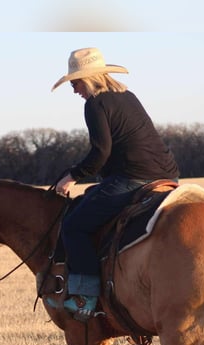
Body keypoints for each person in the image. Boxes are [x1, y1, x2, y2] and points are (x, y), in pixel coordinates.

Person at [51, 47, 180, 320]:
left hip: (134, 177)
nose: (75, 90)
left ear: (89, 79)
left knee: (74, 226)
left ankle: (85, 297)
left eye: (75, 83)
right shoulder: (127, 96)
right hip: (168, 175)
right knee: (93, 197)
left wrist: (72, 176)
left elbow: (101, 152)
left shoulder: (95, 104)